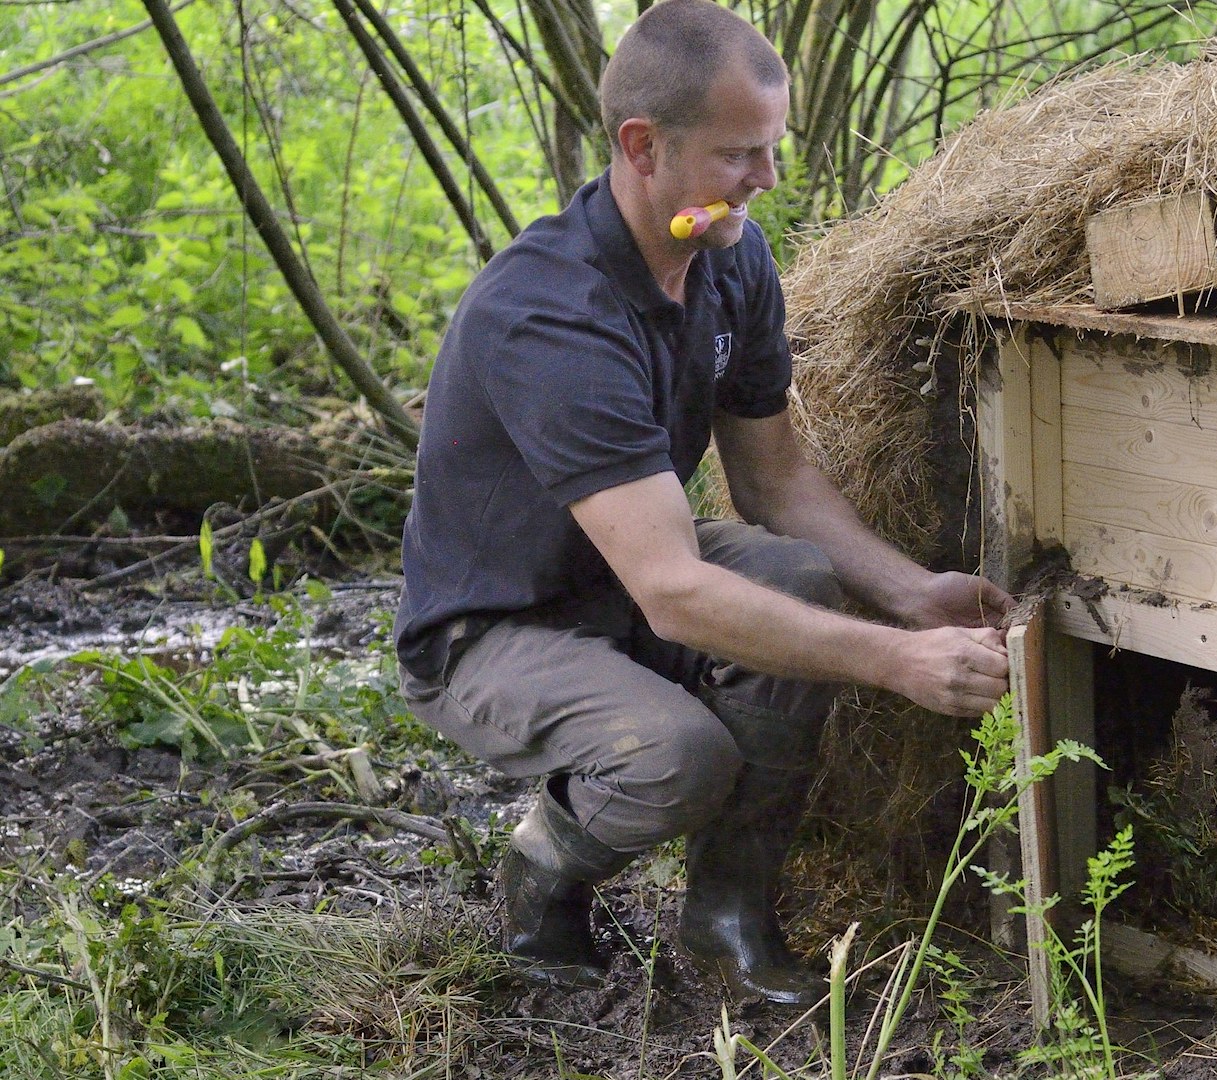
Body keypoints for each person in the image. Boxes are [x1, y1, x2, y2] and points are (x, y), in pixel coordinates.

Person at [393, 0, 1013, 1003]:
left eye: (771, 149)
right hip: (496, 625)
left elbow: (776, 481)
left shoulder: (728, 260)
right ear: (643, 146)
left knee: (802, 575)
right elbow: (676, 592)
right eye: (740, 155)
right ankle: (543, 866)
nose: (764, 180)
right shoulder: (551, 315)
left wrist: (911, 595)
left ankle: (730, 921)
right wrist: (897, 663)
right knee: (680, 759)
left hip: (626, 579)